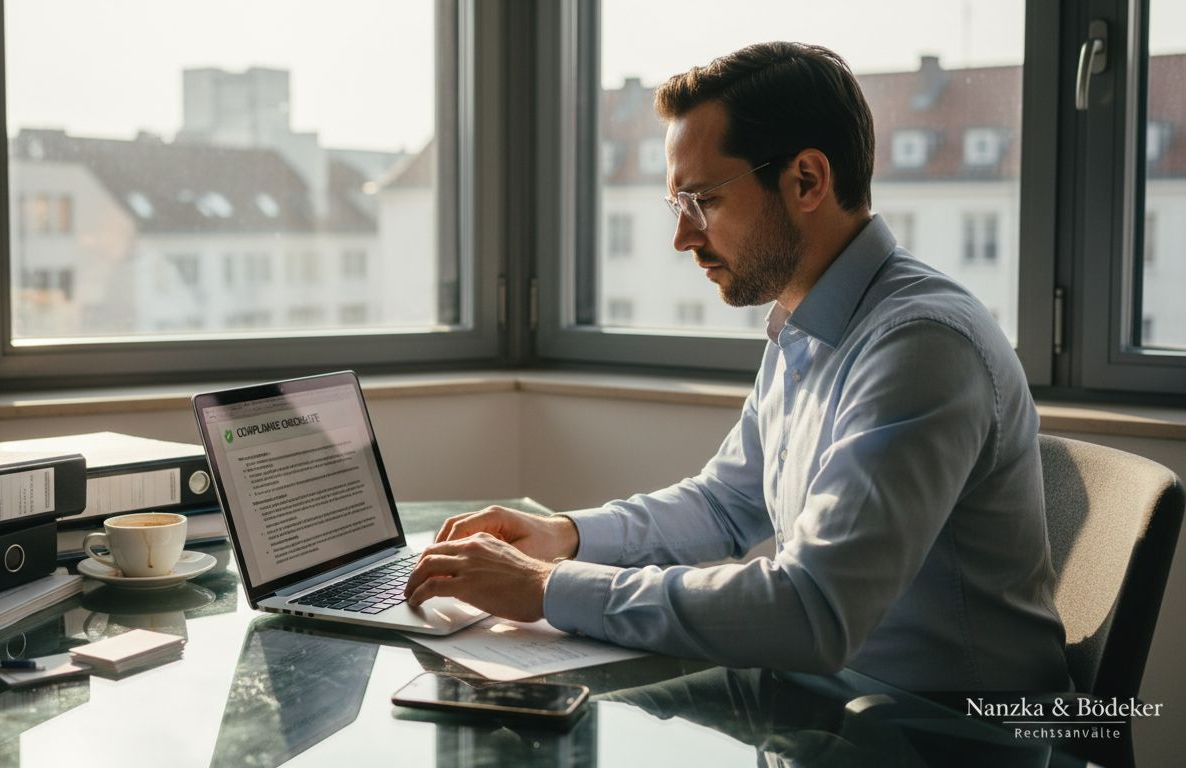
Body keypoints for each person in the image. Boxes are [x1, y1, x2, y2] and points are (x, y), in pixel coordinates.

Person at [404, 42, 1070, 691]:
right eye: (678, 205)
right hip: (828, 709)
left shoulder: (921, 344)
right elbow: (726, 506)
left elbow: (812, 612)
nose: (683, 236)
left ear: (807, 180)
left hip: (952, 737)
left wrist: (547, 588)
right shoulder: (803, 322)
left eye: (706, 201)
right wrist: (565, 537)